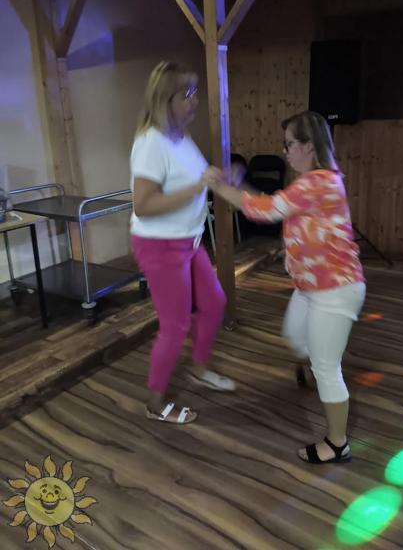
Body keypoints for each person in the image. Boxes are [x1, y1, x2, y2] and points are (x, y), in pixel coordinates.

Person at [210, 111, 366, 463]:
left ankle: (337, 444)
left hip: (335, 289)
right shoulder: (311, 183)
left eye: (289, 144)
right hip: (311, 287)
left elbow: (266, 209)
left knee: (327, 368)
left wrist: (219, 185)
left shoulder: (319, 182)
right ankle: (314, 360)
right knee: (295, 336)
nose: (285, 151)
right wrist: (240, 184)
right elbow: (280, 205)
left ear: (309, 146)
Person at [130, 61, 235, 426]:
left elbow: (196, 178)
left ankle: (199, 369)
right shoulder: (151, 143)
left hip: (188, 241)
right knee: (174, 326)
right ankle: (155, 403)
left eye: (195, 92)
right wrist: (197, 187)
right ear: (165, 99)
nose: (195, 101)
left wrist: (219, 178)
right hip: (160, 246)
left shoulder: (181, 137)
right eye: (186, 94)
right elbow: (143, 205)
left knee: (214, 302)